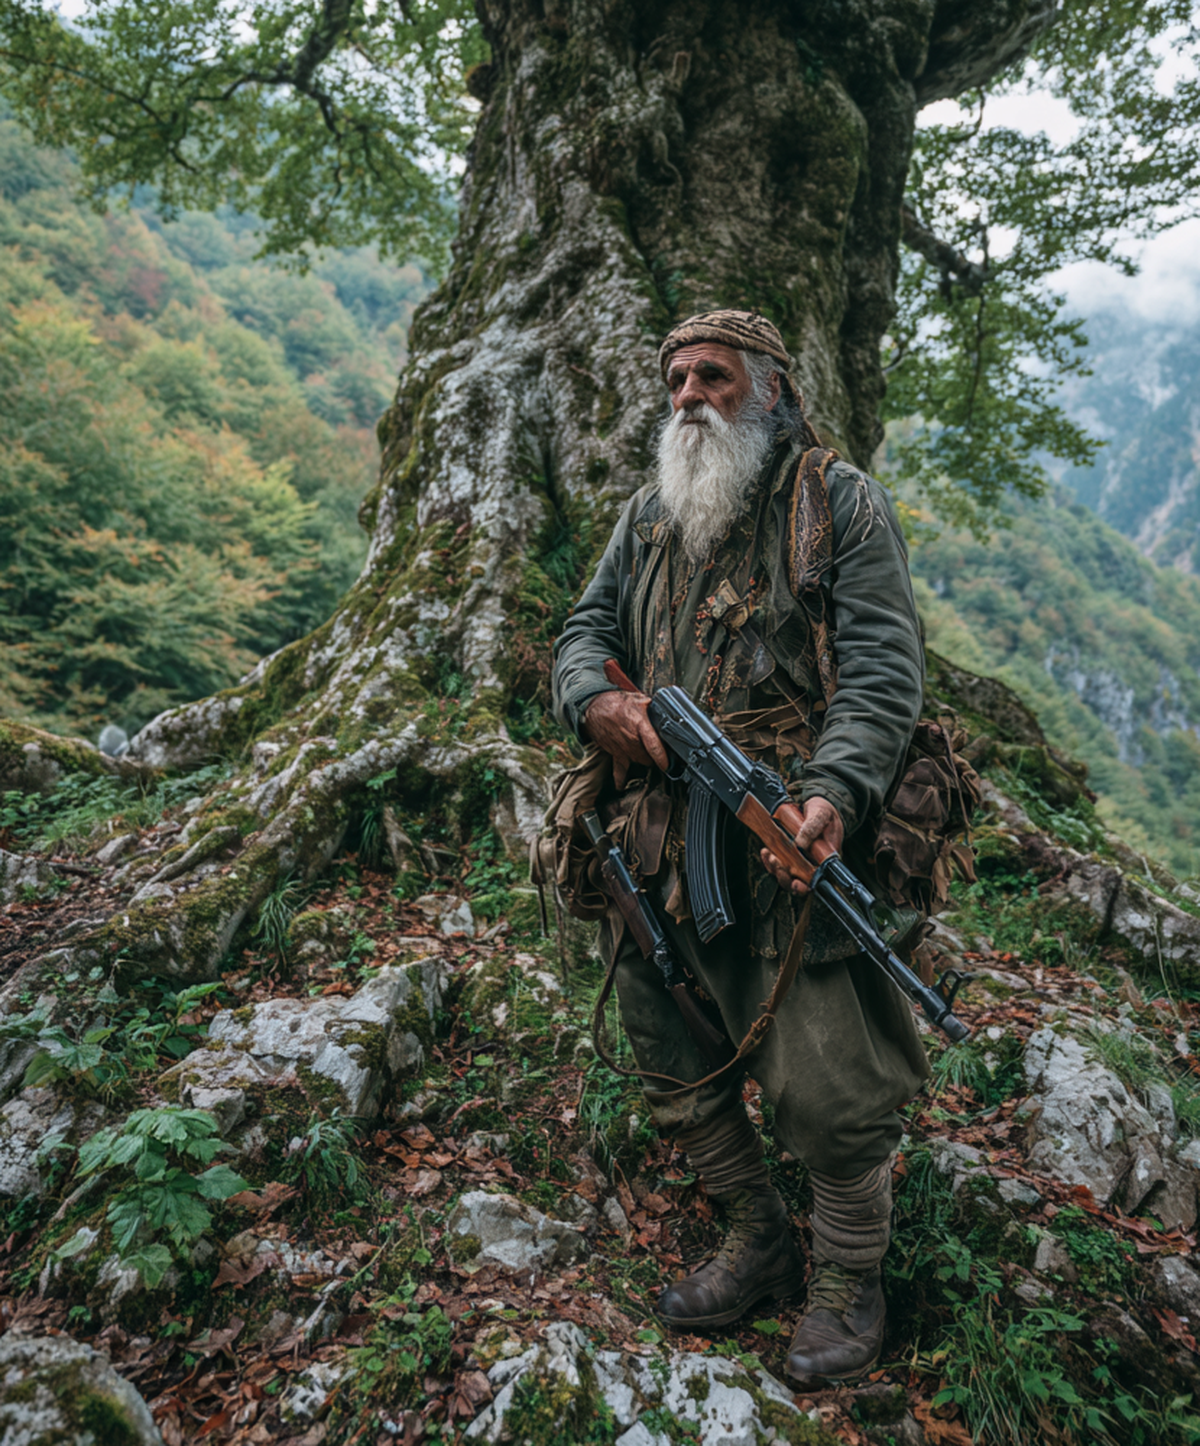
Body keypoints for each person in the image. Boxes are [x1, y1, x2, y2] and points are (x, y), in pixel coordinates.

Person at [550, 309, 930, 1385]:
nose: (686, 396)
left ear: (770, 390)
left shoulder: (837, 504)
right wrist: (599, 706)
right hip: (661, 834)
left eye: (712, 376)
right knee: (671, 1049)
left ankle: (851, 1283)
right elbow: (585, 636)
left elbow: (884, 675)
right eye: (674, 378)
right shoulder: (647, 517)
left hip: (782, 837)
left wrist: (832, 795)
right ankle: (756, 1239)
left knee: (830, 1086)